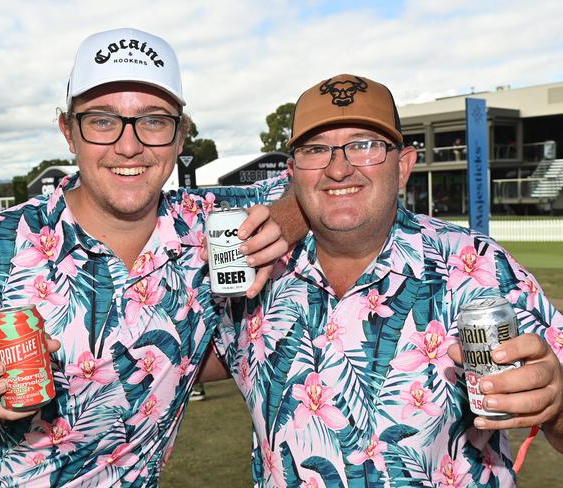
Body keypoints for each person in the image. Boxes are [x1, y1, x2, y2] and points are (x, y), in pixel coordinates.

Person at [0, 27, 300, 487]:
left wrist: (280, 227)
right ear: (68, 132)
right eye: (102, 120)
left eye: (154, 120)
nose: (129, 145)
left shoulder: (208, 229)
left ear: (180, 138)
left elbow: (320, 188)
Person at [208, 74, 563, 486]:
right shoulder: (250, 279)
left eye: (364, 145)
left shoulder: (477, 266)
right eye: (316, 150)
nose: (338, 168)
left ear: (403, 166)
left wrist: (557, 408)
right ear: (293, 173)